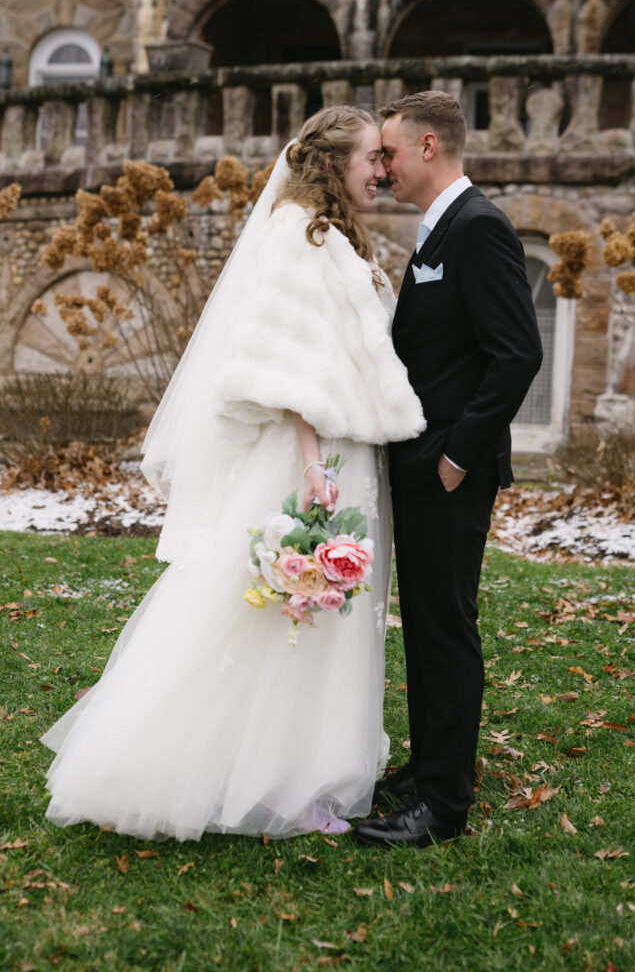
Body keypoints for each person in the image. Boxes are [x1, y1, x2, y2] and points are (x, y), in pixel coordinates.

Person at [40, 106, 425, 841]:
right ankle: (240, 773)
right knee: (274, 608)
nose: (382, 170)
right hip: (313, 457)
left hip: (348, 451)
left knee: (319, 616)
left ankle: (308, 764)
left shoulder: (331, 233)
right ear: (332, 163)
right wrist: (312, 466)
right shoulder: (297, 236)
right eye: (371, 158)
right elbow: (287, 367)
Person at [353, 91, 543, 849]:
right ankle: (427, 767)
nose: (383, 166)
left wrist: (459, 455)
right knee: (428, 623)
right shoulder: (439, 228)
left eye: (390, 152)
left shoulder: (478, 226)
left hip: (450, 469)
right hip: (423, 464)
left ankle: (443, 804)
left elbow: (517, 354)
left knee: (446, 628)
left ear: (428, 146)